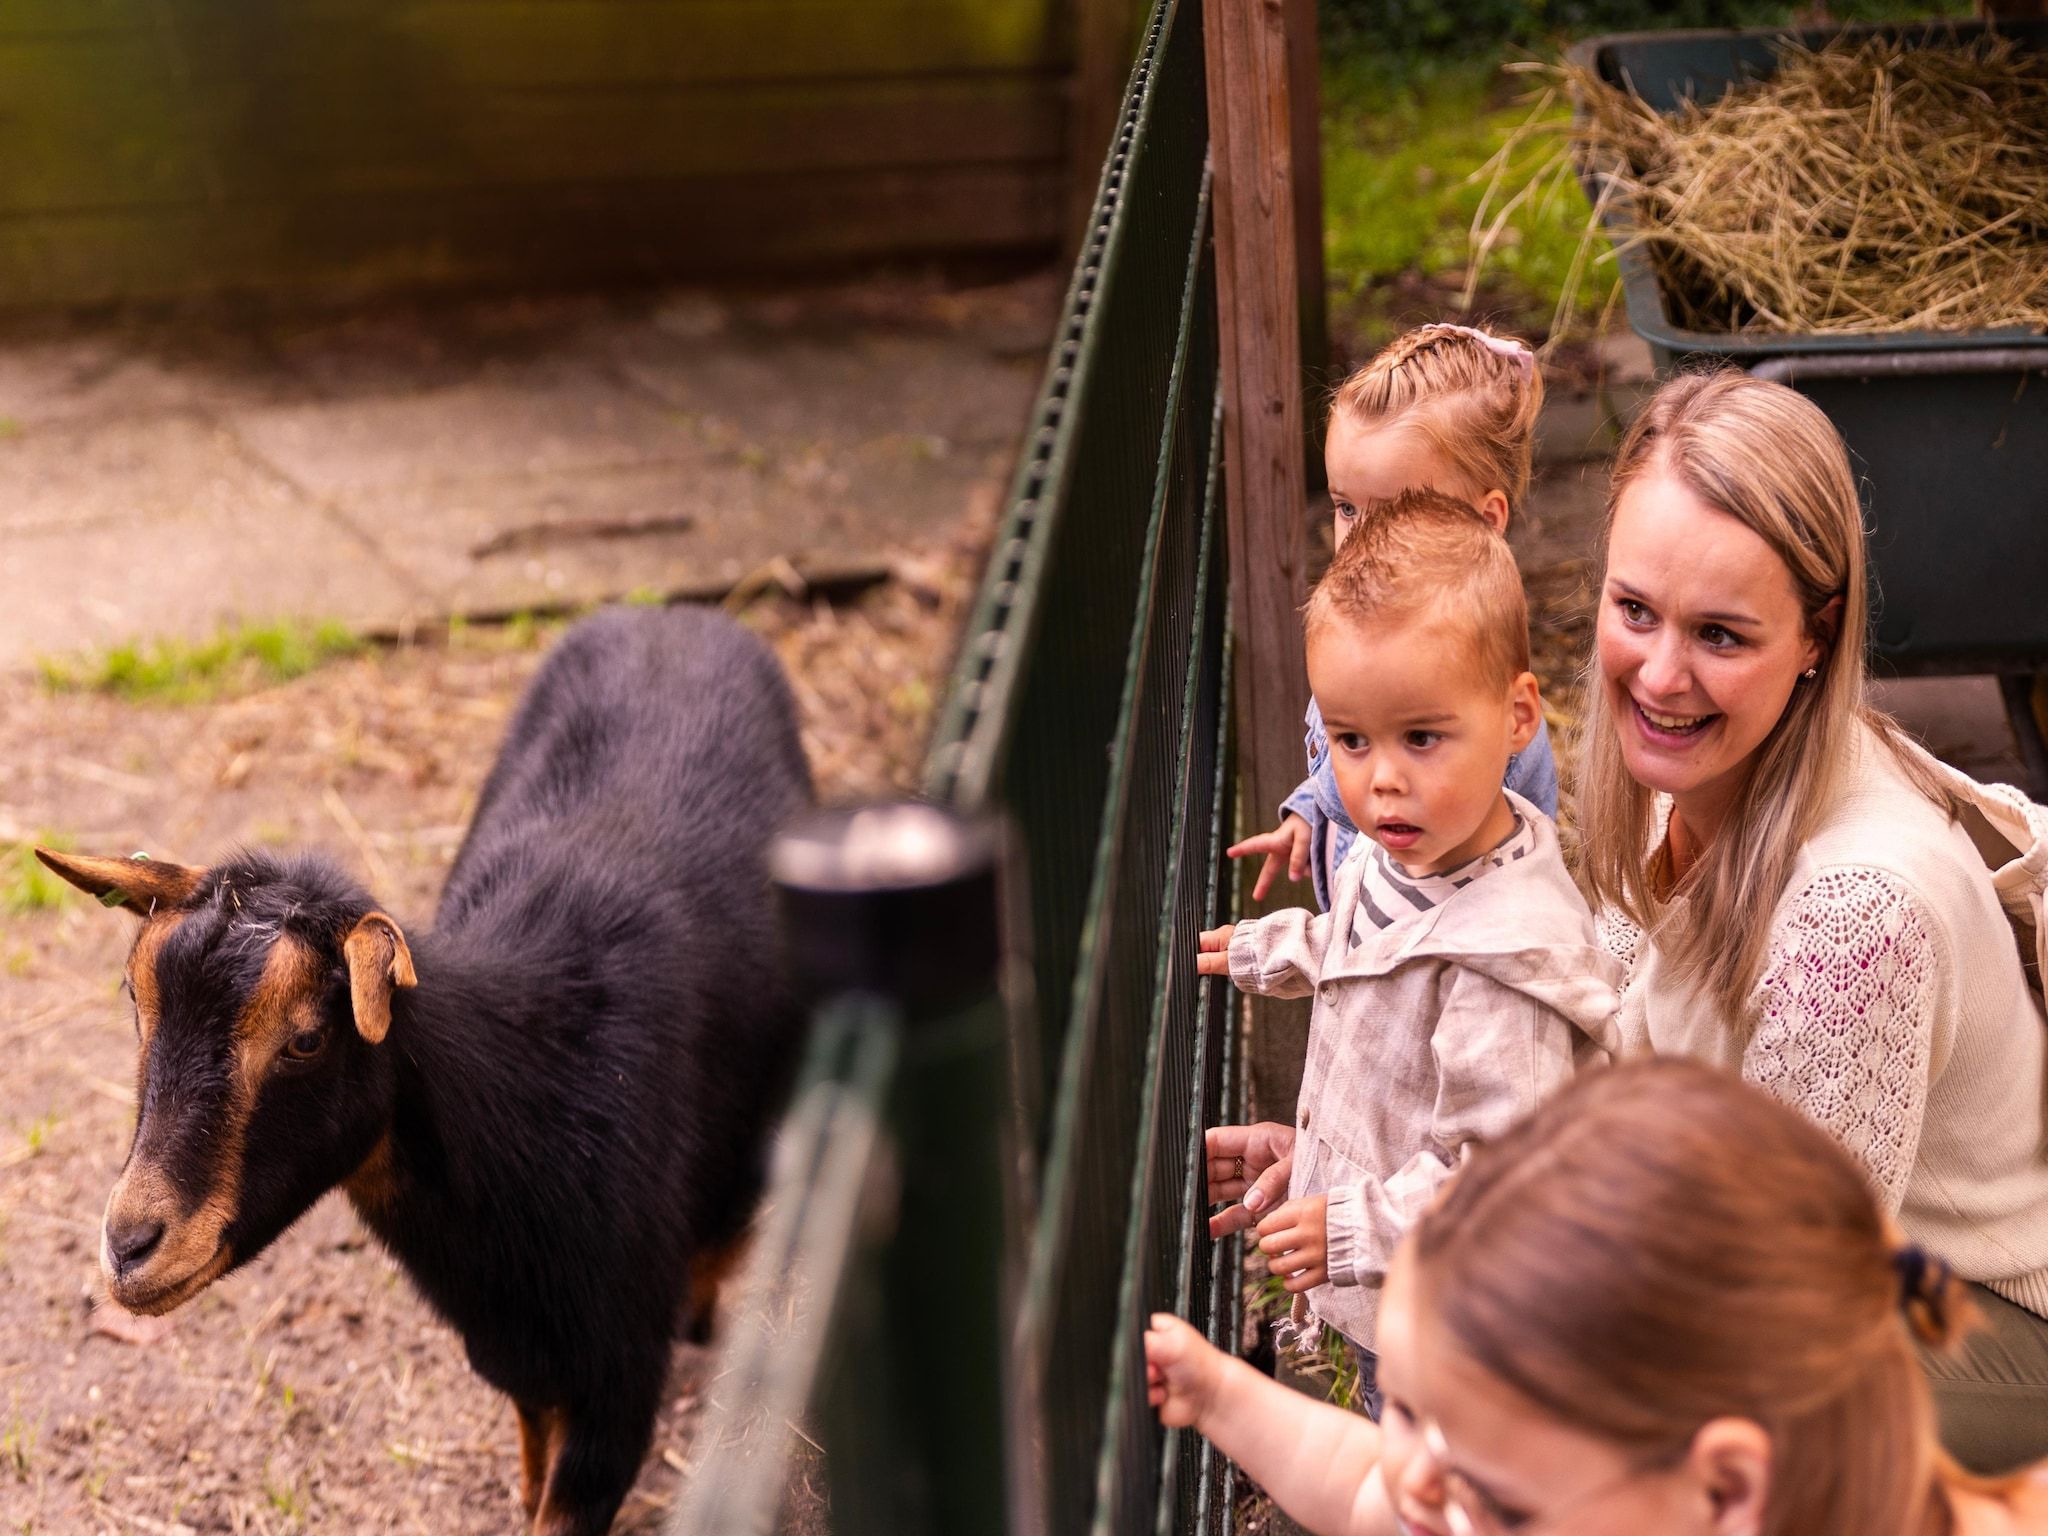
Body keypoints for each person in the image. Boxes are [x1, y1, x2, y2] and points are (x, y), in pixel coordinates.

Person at [1577, 367, 2048, 1470]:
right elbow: (1593, 1060)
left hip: (1981, 1323)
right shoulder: (1692, 763)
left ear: (1814, 638)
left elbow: (1791, 1292)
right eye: (1631, 609)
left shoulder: (1851, 911)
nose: (1659, 673)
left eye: (1720, 635)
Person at [1148, 1059, 2048, 1536]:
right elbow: (1356, 1485)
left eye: (1496, 1493)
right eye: (1413, 1416)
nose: (1413, 1474)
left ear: (1728, 1489)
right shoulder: (1490, 1494)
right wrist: (1221, 1395)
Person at [1197, 488, 1618, 1400]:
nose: (1380, 782)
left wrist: (1353, 1225)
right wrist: (1282, 949)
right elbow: (1372, 940)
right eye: (1348, 740)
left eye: (1422, 737)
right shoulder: (1413, 849)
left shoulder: (1506, 968)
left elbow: (1506, 1185)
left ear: (1517, 717)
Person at [1230, 322, 1560, 911]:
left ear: (1486, 520)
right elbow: (1356, 751)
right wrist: (1314, 809)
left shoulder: (1476, 712)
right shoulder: (1364, 633)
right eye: (1346, 507)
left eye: (1394, 511)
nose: (1358, 538)